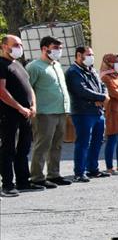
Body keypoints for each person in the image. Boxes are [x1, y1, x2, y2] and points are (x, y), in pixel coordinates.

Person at [28, 36, 72, 187]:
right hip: (44, 113)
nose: (58, 51)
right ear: (44, 49)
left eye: (60, 48)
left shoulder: (57, 65)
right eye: (55, 48)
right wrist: (32, 108)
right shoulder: (35, 67)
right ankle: (37, 177)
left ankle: (54, 174)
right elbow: (28, 90)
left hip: (60, 111)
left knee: (57, 145)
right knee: (42, 145)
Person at [0, 35, 38, 196]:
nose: (19, 47)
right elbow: (2, 91)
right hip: (9, 114)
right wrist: (19, 107)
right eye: (15, 45)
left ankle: (23, 181)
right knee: (8, 149)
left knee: (23, 148)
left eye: (20, 44)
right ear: (3, 46)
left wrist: (33, 105)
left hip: (26, 114)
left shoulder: (18, 64)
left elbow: (29, 87)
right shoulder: (1, 64)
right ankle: (7, 185)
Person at [66, 46, 108, 181]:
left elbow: (102, 86)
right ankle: (79, 172)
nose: (91, 57)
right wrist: (101, 98)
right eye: (88, 54)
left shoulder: (92, 70)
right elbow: (81, 90)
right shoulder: (73, 72)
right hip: (83, 113)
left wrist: (103, 96)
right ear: (79, 55)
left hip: (97, 112)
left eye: (92, 54)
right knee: (83, 142)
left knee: (97, 141)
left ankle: (93, 169)